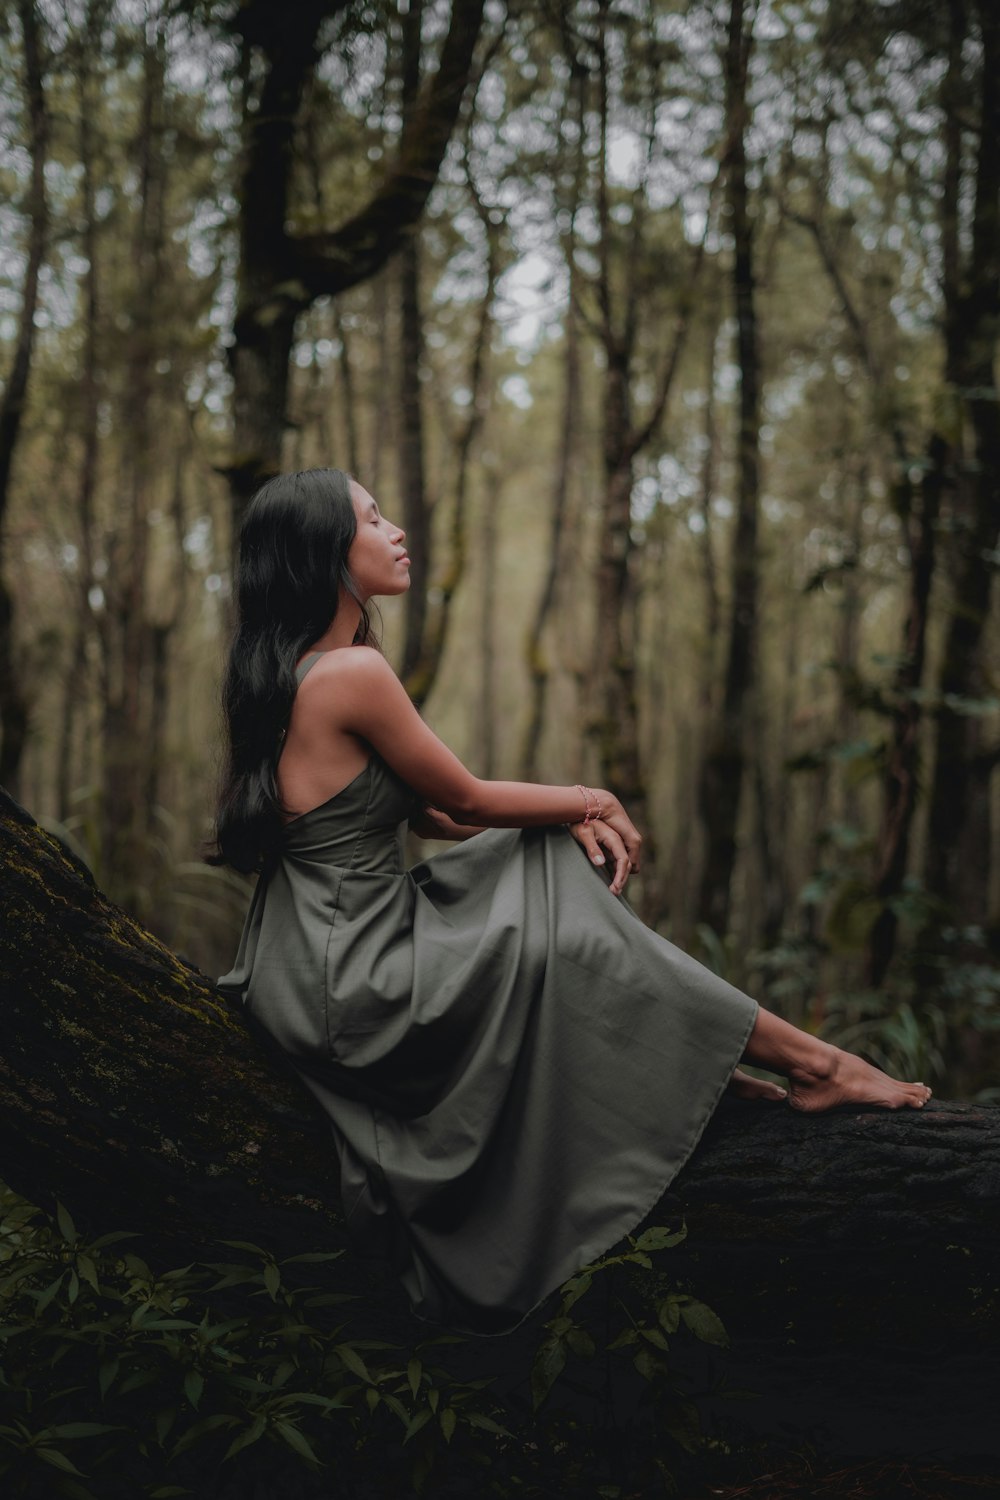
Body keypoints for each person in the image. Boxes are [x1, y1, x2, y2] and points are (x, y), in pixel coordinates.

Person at [214, 468, 931, 1336]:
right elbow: (471, 801)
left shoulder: (296, 673)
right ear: (327, 553)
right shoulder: (349, 673)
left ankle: (723, 1061)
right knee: (552, 865)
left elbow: (433, 814)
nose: (397, 529)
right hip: (357, 969)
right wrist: (590, 799)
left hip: (312, 961)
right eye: (373, 518)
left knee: (545, 866)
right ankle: (814, 1065)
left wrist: (565, 814)